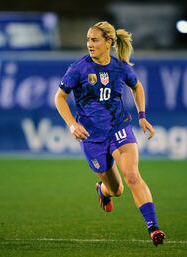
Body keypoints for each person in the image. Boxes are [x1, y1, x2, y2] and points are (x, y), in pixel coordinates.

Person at [54, 21, 165, 246]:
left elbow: (137, 86)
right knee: (117, 190)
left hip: (119, 128)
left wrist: (142, 115)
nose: (89, 44)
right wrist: (71, 124)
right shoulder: (78, 68)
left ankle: (153, 228)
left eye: (94, 40)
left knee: (133, 176)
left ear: (109, 42)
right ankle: (102, 191)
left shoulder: (120, 67)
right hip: (92, 137)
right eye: (88, 40)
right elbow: (59, 97)